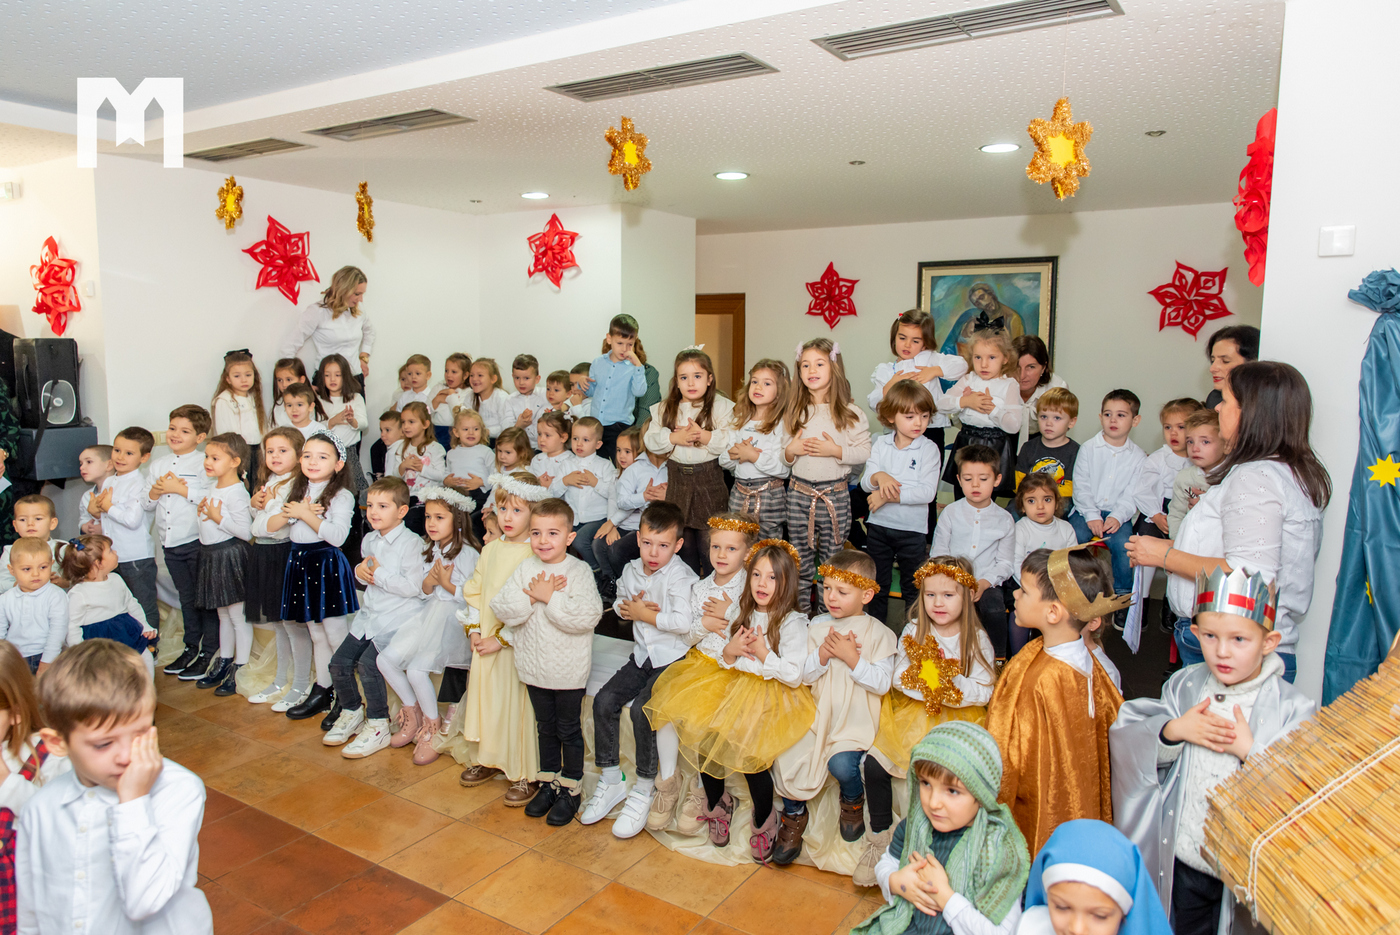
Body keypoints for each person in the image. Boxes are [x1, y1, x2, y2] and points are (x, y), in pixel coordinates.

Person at [1110, 568, 1314, 935]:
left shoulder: (1292, 708)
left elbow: (1305, 790)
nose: (1221, 651)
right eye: (1209, 636)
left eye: (1239, 639)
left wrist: (1251, 752)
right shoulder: (1186, 685)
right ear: (1195, 632)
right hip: (1185, 856)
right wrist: (1173, 731)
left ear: (1269, 642)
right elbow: (1130, 742)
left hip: (1243, 872)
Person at [1126, 361, 1329, 684]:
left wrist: (1164, 556)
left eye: (1226, 400)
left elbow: (1248, 576)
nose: (1218, 408)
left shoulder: (1256, 478)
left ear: (1251, 413)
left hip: (1231, 652)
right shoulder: (1284, 472)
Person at [20, 640, 213, 935]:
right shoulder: (40, 808)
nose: (125, 756)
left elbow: (144, 901)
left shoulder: (179, 790)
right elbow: (31, 904)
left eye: (139, 734)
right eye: (103, 744)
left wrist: (134, 801)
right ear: (58, 743)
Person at [642, 539, 813, 862]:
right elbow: (725, 659)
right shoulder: (739, 611)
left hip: (772, 693)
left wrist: (763, 653)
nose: (762, 584)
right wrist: (730, 652)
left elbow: (793, 675)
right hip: (734, 685)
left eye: (772, 577)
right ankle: (718, 803)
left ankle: (764, 818)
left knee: (751, 754)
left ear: (787, 582)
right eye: (757, 575)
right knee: (708, 740)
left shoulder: (792, 622)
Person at [860, 556, 996, 886]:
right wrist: (930, 683)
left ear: (967, 596)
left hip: (957, 722)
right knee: (875, 765)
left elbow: (985, 690)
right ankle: (879, 839)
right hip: (913, 714)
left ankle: (935, 850)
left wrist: (950, 686)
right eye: (930, 594)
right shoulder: (914, 629)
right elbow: (899, 677)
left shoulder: (976, 638)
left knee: (942, 777)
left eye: (948, 595)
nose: (937, 603)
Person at [990, 545, 1125, 854]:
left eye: (1024, 591)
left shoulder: (1048, 678)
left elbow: (1019, 756)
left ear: (1053, 612)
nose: (1015, 595)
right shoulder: (1082, 660)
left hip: (1042, 807)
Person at [581, 502, 699, 838]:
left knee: (643, 711)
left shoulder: (680, 576)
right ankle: (611, 779)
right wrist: (627, 608)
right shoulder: (632, 569)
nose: (653, 552)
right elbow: (620, 602)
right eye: (647, 543)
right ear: (638, 539)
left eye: (663, 545)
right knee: (604, 701)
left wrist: (646, 614)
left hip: (672, 659)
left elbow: (683, 622)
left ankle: (646, 786)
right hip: (642, 655)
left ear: (677, 545)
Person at [773, 549, 896, 865]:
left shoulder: (880, 633)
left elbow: (882, 683)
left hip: (853, 718)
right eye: (827, 588)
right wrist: (823, 656)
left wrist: (852, 658)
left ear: (866, 594)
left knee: (841, 765)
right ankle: (793, 815)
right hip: (817, 713)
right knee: (785, 754)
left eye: (842, 591)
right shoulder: (816, 626)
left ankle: (852, 799)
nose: (831, 597)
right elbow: (805, 676)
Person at [853, 722, 1031, 935]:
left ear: (982, 794)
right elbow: (887, 863)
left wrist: (946, 898)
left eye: (952, 791)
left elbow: (1003, 932)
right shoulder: (915, 825)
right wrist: (895, 881)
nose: (933, 802)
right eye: (926, 783)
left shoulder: (997, 851)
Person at [490, 497, 603, 825]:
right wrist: (532, 597)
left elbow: (588, 616)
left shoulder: (579, 571)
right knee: (545, 728)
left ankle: (571, 787)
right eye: (536, 533)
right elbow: (502, 607)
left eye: (553, 533)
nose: (543, 540)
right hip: (533, 666)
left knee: (568, 729)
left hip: (567, 670)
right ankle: (549, 782)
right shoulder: (526, 568)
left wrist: (549, 597)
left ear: (569, 537)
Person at [647, 512, 759, 834]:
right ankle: (667, 782)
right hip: (701, 661)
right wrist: (705, 624)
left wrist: (731, 612)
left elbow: (757, 625)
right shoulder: (700, 587)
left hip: (734, 667)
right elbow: (686, 636)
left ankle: (702, 790)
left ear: (747, 553)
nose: (721, 555)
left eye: (731, 549)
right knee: (665, 712)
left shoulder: (751, 585)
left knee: (702, 721)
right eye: (716, 547)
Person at [448, 471, 548, 803]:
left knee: (516, 707)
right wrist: (475, 629)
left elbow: (533, 606)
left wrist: (501, 639)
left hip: (516, 645)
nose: (507, 517)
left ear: (534, 512)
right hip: (486, 641)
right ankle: (489, 758)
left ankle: (524, 772)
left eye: (517, 510)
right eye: (502, 508)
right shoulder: (491, 549)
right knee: (488, 700)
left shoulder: (536, 555)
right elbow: (475, 591)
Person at [322, 477, 426, 759]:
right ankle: (352, 712)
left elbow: (413, 587)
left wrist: (378, 574)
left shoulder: (412, 543)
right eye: (370, 505)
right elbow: (366, 573)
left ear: (402, 511)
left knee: (369, 664)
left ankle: (378, 723)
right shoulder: (369, 539)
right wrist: (360, 570)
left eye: (382, 506)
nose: (373, 512)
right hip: (370, 615)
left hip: (398, 618)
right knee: (339, 663)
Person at [377, 485, 480, 765]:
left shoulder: (468, 553)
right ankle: (413, 714)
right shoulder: (431, 548)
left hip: (452, 619)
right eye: (428, 517)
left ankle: (432, 729)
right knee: (385, 660)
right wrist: (431, 582)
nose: (431, 523)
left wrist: (446, 583)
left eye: (439, 517)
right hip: (429, 613)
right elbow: (424, 591)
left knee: (416, 669)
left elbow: (473, 596)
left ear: (458, 520)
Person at [270, 431, 360, 722]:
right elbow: (275, 527)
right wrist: (295, 511)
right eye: (307, 455)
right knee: (316, 634)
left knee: (334, 634)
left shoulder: (342, 495)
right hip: (300, 562)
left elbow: (337, 536)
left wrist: (305, 514)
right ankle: (323, 690)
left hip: (325, 564)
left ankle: (348, 697)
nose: (312, 461)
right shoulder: (297, 490)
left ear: (338, 464)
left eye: (322, 457)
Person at [784, 338, 872, 613]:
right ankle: (798, 617)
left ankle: (827, 617)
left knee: (832, 563)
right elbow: (783, 456)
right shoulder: (794, 411)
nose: (812, 370)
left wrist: (835, 450)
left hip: (834, 495)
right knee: (799, 560)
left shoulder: (850, 413)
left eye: (819, 364)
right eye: (805, 365)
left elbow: (864, 452)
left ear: (834, 367)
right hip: (799, 494)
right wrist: (791, 450)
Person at [644, 348, 735, 576]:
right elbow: (651, 440)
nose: (691, 383)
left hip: (709, 480)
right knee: (683, 541)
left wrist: (703, 436)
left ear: (709, 379)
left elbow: (730, 440)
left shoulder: (721, 406)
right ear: (676, 381)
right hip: (678, 481)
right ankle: (688, 587)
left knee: (710, 540)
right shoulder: (665, 408)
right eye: (684, 377)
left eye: (697, 376)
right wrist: (674, 438)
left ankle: (714, 587)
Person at [862, 381, 942, 627]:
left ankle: (913, 636)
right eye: (910, 416)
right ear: (890, 417)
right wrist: (880, 477)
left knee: (912, 587)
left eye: (924, 416)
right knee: (877, 586)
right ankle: (875, 633)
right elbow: (866, 482)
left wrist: (885, 495)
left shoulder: (929, 449)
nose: (918, 423)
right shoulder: (880, 444)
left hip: (912, 532)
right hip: (879, 527)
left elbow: (926, 492)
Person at [244, 428, 312, 708]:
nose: (274, 456)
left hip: (284, 553)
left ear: (299, 455)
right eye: (270, 451)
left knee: (293, 625)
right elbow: (259, 521)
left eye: (282, 451)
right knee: (277, 623)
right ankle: (281, 679)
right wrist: (254, 504)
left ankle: (300, 684)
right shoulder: (270, 480)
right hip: (264, 553)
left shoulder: (298, 485)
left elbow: (275, 525)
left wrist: (267, 508)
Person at [1016, 820, 1173, 935]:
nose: (1077, 929)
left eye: (1099, 916)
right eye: (1062, 907)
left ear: (1125, 914)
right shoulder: (1030, 929)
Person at [932, 446, 1016, 657]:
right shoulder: (950, 513)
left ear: (997, 480)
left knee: (994, 609)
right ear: (959, 480)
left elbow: (1005, 563)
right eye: (968, 479)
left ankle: (998, 659)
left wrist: (984, 583)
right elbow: (939, 553)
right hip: (951, 579)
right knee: (939, 605)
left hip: (986, 582)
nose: (975, 485)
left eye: (983, 479)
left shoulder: (1005, 519)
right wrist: (954, 579)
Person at [190, 433, 253, 696]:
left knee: (237, 616)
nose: (208, 461)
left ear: (235, 462)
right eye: (207, 456)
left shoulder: (237, 492)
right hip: (211, 555)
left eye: (215, 458)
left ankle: (241, 667)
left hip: (229, 556)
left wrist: (217, 518)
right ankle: (225, 660)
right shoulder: (212, 487)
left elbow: (246, 532)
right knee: (223, 615)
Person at [83, 427, 158, 643]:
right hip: (113, 555)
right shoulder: (110, 481)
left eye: (129, 453)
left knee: (143, 604)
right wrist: (96, 512)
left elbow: (132, 521)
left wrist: (107, 507)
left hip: (135, 556)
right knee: (120, 604)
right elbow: (107, 518)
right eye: (117, 450)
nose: (120, 457)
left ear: (144, 458)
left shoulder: (140, 483)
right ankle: (127, 646)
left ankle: (150, 647)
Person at [1070, 390, 1147, 600]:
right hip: (1086, 511)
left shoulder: (1139, 457)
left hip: (1118, 515)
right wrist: (1091, 515)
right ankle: (1072, 587)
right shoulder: (1088, 448)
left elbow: (1132, 494)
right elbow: (1081, 485)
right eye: (1107, 414)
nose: (1113, 420)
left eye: (1121, 415)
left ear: (1135, 420)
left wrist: (1117, 516)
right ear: (1100, 417)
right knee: (1073, 538)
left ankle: (1122, 596)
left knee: (1124, 547)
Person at [869, 309, 969, 455]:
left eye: (915, 341)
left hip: (931, 429)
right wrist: (890, 385)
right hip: (898, 430)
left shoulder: (931, 359)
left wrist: (935, 370)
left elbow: (962, 366)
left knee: (931, 464)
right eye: (902, 338)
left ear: (925, 344)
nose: (907, 345)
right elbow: (874, 404)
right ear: (894, 338)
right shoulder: (886, 370)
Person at [938, 327, 1022, 501]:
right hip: (966, 441)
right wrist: (965, 401)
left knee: (987, 498)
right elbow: (941, 404)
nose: (984, 364)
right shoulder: (968, 379)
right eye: (978, 357)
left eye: (991, 357)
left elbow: (1014, 426)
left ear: (1005, 358)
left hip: (995, 446)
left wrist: (993, 410)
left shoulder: (1010, 385)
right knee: (962, 495)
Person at [60, 537, 159, 676]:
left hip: (126, 632)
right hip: (100, 643)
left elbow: (132, 604)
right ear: (98, 563)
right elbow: (72, 626)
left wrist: (145, 626)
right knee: (111, 674)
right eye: (111, 551)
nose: (116, 552)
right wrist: (80, 653)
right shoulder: (78, 593)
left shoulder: (116, 579)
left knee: (145, 658)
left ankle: (145, 688)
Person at [721, 359, 792, 541]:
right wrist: (734, 454)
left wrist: (753, 456)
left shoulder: (782, 425)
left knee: (768, 545)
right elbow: (723, 462)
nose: (758, 387)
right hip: (740, 491)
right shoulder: (738, 420)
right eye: (754, 381)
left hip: (770, 495)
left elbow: (784, 470)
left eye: (767, 383)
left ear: (779, 391)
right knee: (737, 540)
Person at [597, 426, 666, 594]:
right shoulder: (621, 474)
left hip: (639, 525)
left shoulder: (648, 470)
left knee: (616, 550)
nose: (621, 455)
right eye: (619, 450)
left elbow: (630, 506)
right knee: (598, 544)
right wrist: (612, 524)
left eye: (627, 451)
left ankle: (629, 584)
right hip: (623, 523)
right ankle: (613, 581)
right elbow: (616, 502)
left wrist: (612, 523)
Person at [279, 265, 374, 380]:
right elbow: (289, 347)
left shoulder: (359, 309)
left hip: (355, 378)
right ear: (343, 290)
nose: (361, 299)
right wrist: (295, 382)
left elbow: (369, 332)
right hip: (326, 381)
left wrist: (364, 357)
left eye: (362, 294)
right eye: (357, 294)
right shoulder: (317, 311)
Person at [583, 315, 648, 460]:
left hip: (619, 427)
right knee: (596, 462)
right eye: (620, 343)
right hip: (596, 426)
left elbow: (639, 391)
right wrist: (584, 384)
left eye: (630, 344)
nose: (624, 349)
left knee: (619, 463)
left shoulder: (634, 367)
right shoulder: (598, 363)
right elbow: (592, 392)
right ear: (609, 338)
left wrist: (638, 366)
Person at [1135, 399, 1201, 539]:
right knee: (1148, 540)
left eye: (1181, 427)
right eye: (1168, 427)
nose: (1173, 433)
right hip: (1159, 509)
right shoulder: (1158, 459)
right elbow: (1143, 490)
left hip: (1187, 508)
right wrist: (1156, 515)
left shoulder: (1200, 459)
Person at [559, 416, 616, 579]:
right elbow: (553, 493)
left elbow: (613, 494)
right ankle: (572, 575)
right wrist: (565, 481)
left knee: (580, 540)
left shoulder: (605, 465)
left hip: (597, 518)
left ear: (598, 444)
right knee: (561, 538)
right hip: (573, 519)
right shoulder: (566, 464)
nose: (579, 444)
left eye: (585, 440)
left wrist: (595, 482)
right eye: (575, 438)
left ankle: (598, 572)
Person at [0, 539, 68, 673]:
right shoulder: (5, 599)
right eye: (27, 569)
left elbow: (58, 632)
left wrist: (47, 661)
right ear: (12, 570)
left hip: (47, 655)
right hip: (15, 658)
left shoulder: (56, 595)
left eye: (43, 567)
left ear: (51, 564)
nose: (36, 574)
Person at [1014, 388, 1079, 509]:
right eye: (1043, 417)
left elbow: (1072, 488)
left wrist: (1044, 496)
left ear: (1071, 422)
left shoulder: (1076, 452)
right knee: (1012, 511)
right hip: (1029, 499)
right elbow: (1018, 483)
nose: (1049, 423)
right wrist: (1035, 497)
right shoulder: (1028, 447)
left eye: (1057, 418)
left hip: (1059, 501)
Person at [314, 354, 370, 496]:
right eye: (327, 375)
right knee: (327, 492)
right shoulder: (319, 400)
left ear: (345, 376)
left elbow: (364, 423)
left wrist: (352, 421)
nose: (332, 379)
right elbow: (314, 427)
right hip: (325, 453)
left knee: (352, 492)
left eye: (337, 375)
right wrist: (332, 421)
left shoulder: (355, 398)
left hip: (348, 453)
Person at [387, 402, 447, 535]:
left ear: (425, 424)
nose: (406, 426)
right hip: (407, 498)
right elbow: (394, 477)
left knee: (411, 521)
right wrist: (403, 466)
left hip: (429, 500)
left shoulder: (435, 448)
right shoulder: (401, 448)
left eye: (411, 422)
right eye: (403, 422)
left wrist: (422, 468)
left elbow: (442, 476)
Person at [1012, 475, 1078, 586]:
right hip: (1028, 585)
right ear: (1022, 506)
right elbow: (1016, 563)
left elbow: (1073, 561)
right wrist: (1032, 588)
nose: (1040, 506)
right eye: (1031, 501)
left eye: (1047, 500)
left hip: (1059, 584)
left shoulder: (1066, 529)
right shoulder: (1020, 529)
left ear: (1056, 503)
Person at [1167, 410, 1222, 540]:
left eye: (1205, 442)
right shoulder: (1184, 477)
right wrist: (1178, 543)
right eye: (1190, 442)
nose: (1195, 448)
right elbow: (1176, 515)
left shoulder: (1234, 477)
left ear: (1226, 445)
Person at [0, 494, 69, 592]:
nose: (30, 524)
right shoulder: (10, 551)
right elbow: (2, 583)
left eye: (38, 519)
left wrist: (64, 582)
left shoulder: (62, 548)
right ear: (15, 525)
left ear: (52, 523)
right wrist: (20, 584)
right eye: (23, 520)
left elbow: (79, 578)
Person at [209, 350, 266, 466]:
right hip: (238, 452)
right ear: (228, 379)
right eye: (237, 376)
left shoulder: (252, 397)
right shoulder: (224, 400)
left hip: (256, 450)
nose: (244, 380)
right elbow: (225, 434)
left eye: (248, 375)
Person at [1011, 335, 1068, 449]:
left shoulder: (1056, 388)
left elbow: (1059, 429)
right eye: (1016, 367)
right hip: (1005, 435)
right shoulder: (999, 383)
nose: (1022, 375)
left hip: (1045, 438)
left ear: (1043, 368)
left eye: (1031, 367)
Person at [1202, 324, 1259, 411]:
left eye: (1225, 361)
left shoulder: (1270, 404)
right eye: (1213, 361)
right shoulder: (1215, 399)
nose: (1212, 369)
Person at [430, 352, 474, 449]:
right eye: (446, 371)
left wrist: (451, 396)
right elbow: (426, 411)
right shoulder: (438, 388)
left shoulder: (469, 393)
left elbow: (461, 415)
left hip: (457, 433)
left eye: (454, 372)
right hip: (435, 431)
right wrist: (437, 400)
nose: (448, 375)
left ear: (465, 375)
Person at [507, 354, 549, 448]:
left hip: (543, 447)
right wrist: (519, 425)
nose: (521, 382)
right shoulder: (510, 400)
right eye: (517, 378)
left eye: (526, 378)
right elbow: (506, 430)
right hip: (518, 447)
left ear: (537, 379)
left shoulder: (546, 394)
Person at [529, 411, 573, 499]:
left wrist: (551, 486)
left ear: (563, 437)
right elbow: (528, 483)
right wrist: (536, 482)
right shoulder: (537, 459)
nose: (541, 439)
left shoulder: (570, 461)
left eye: (547, 435)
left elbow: (571, 492)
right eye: (539, 434)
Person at [469, 358, 512, 442]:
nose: (474, 379)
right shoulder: (470, 396)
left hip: (498, 440)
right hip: (475, 439)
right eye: (471, 375)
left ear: (493, 379)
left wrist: (486, 432)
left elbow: (507, 427)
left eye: (480, 375)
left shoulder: (501, 397)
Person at [76, 446, 114, 537]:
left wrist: (104, 528)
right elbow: (84, 519)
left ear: (109, 465)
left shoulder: (120, 492)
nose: (81, 467)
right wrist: (85, 527)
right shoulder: (87, 495)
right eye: (81, 464)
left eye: (89, 462)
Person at [269, 358, 310, 429]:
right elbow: (271, 429)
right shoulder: (277, 405)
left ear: (301, 380)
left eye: (288, 379)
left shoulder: (310, 402)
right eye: (280, 380)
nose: (284, 384)